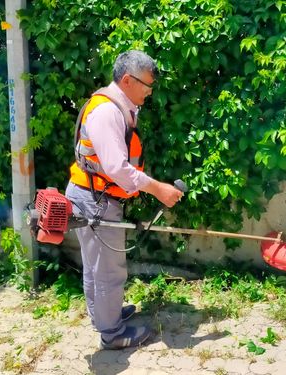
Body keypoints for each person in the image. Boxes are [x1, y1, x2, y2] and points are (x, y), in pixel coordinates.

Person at [65, 50, 183, 350]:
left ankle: (103, 317)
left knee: (96, 266)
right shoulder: (108, 112)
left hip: (89, 194)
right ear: (128, 80)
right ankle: (112, 333)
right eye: (146, 84)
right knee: (108, 270)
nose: (150, 90)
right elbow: (117, 168)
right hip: (95, 199)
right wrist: (158, 188)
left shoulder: (116, 103)